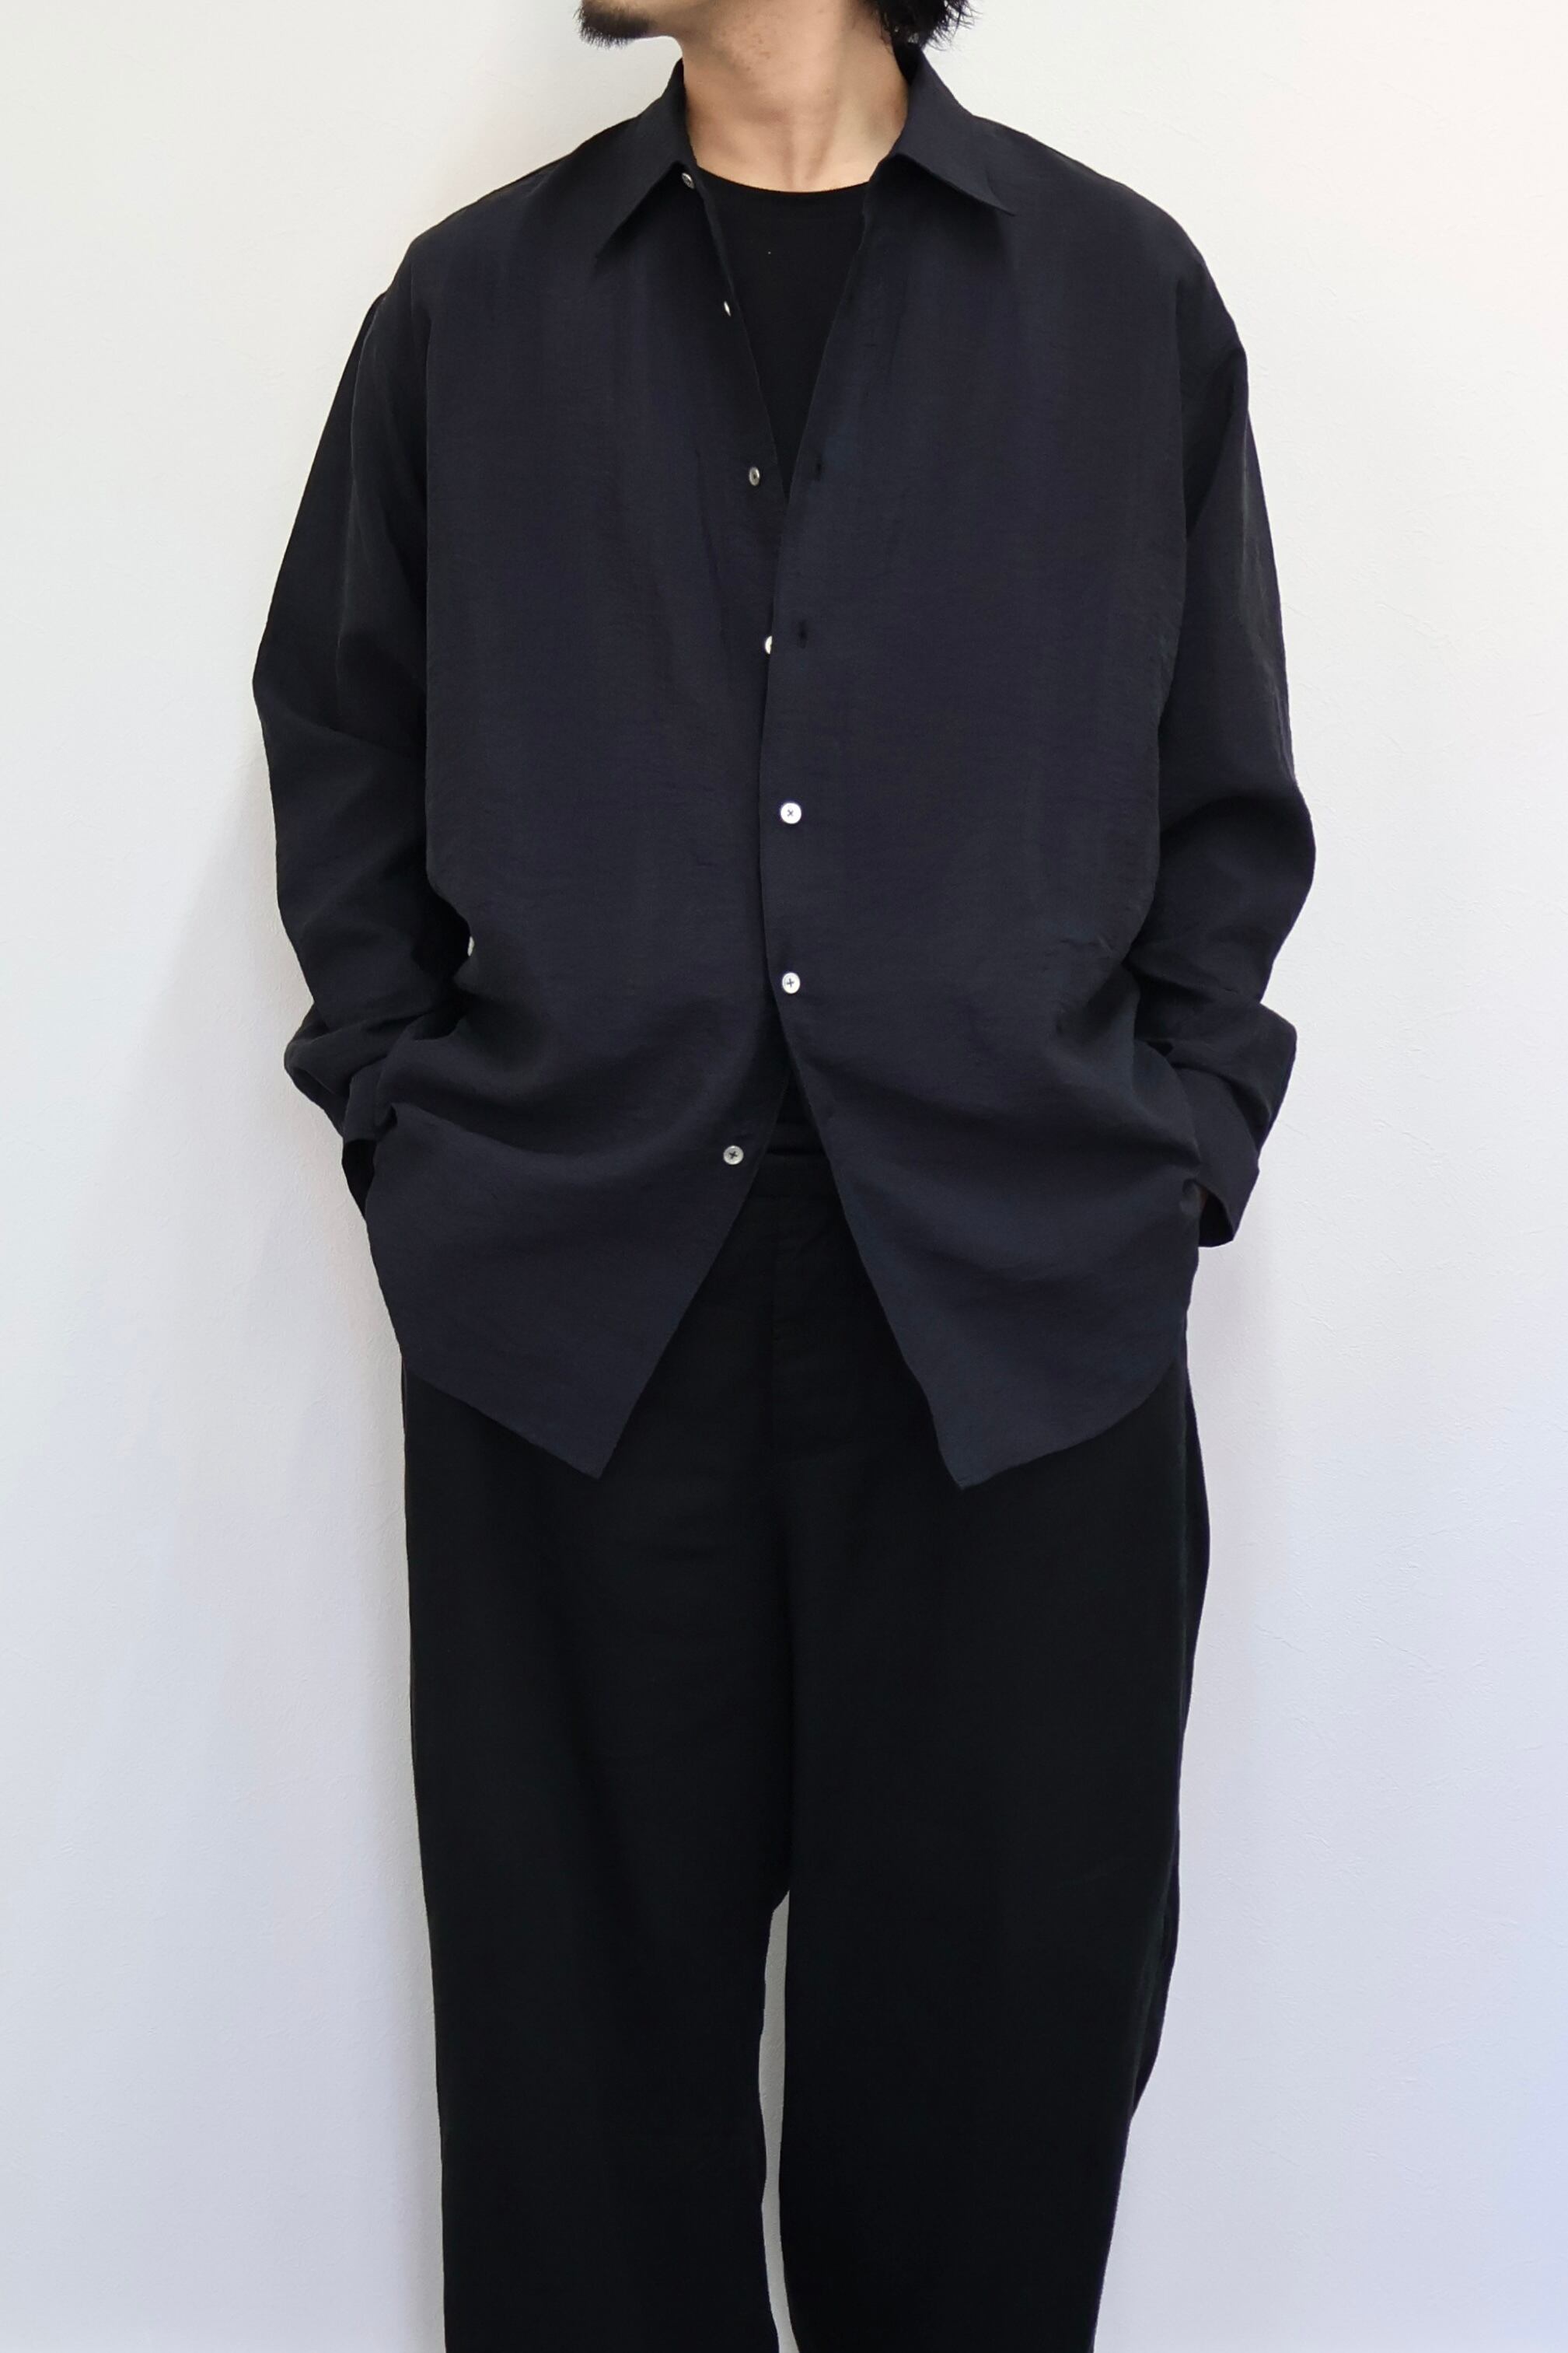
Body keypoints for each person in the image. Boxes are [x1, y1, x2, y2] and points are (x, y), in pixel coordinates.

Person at [252, 0, 1314, 2344]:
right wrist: (408, 1115)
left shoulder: (1111, 293)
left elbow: (1223, 785)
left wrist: (1173, 1149)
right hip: (576, 1307)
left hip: (1015, 1309)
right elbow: (339, 733)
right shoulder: (477, 306)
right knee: (572, 2075)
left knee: (996, 2066)